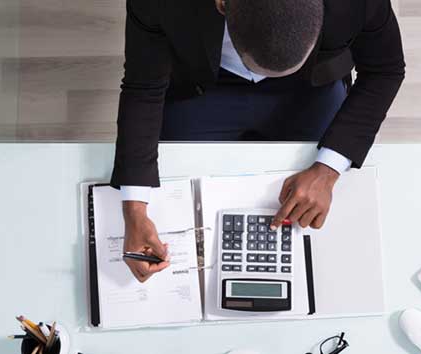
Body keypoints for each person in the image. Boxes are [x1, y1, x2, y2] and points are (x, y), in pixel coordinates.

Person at [111, 0, 405, 282]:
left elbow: (385, 69)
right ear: (221, 3)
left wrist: (328, 170)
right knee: (176, 199)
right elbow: (143, 86)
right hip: (205, 85)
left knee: (330, 239)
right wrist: (134, 209)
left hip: (310, 86)